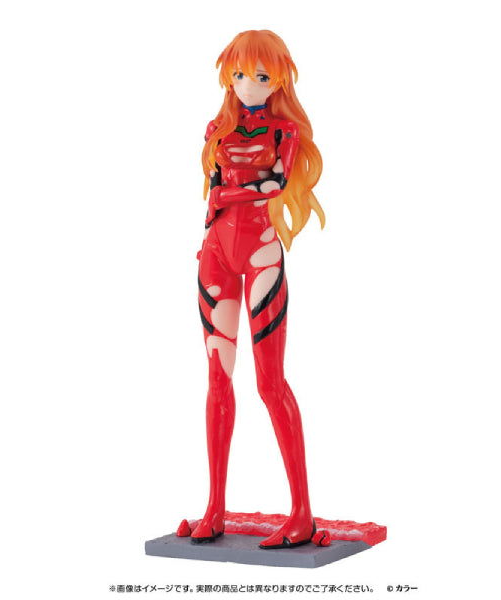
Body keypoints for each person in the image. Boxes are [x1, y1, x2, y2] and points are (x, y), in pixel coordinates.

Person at [194, 30, 325, 549]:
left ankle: (302, 514)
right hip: (215, 256)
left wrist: (231, 192)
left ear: (279, 81)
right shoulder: (217, 130)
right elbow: (217, 194)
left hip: (263, 252)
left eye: (262, 75)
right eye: (240, 74)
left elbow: (273, 186)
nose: (248, 84)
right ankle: (214, 509)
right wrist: (234, 192)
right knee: (217, 379)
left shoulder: (284, 131)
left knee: (270, 382)